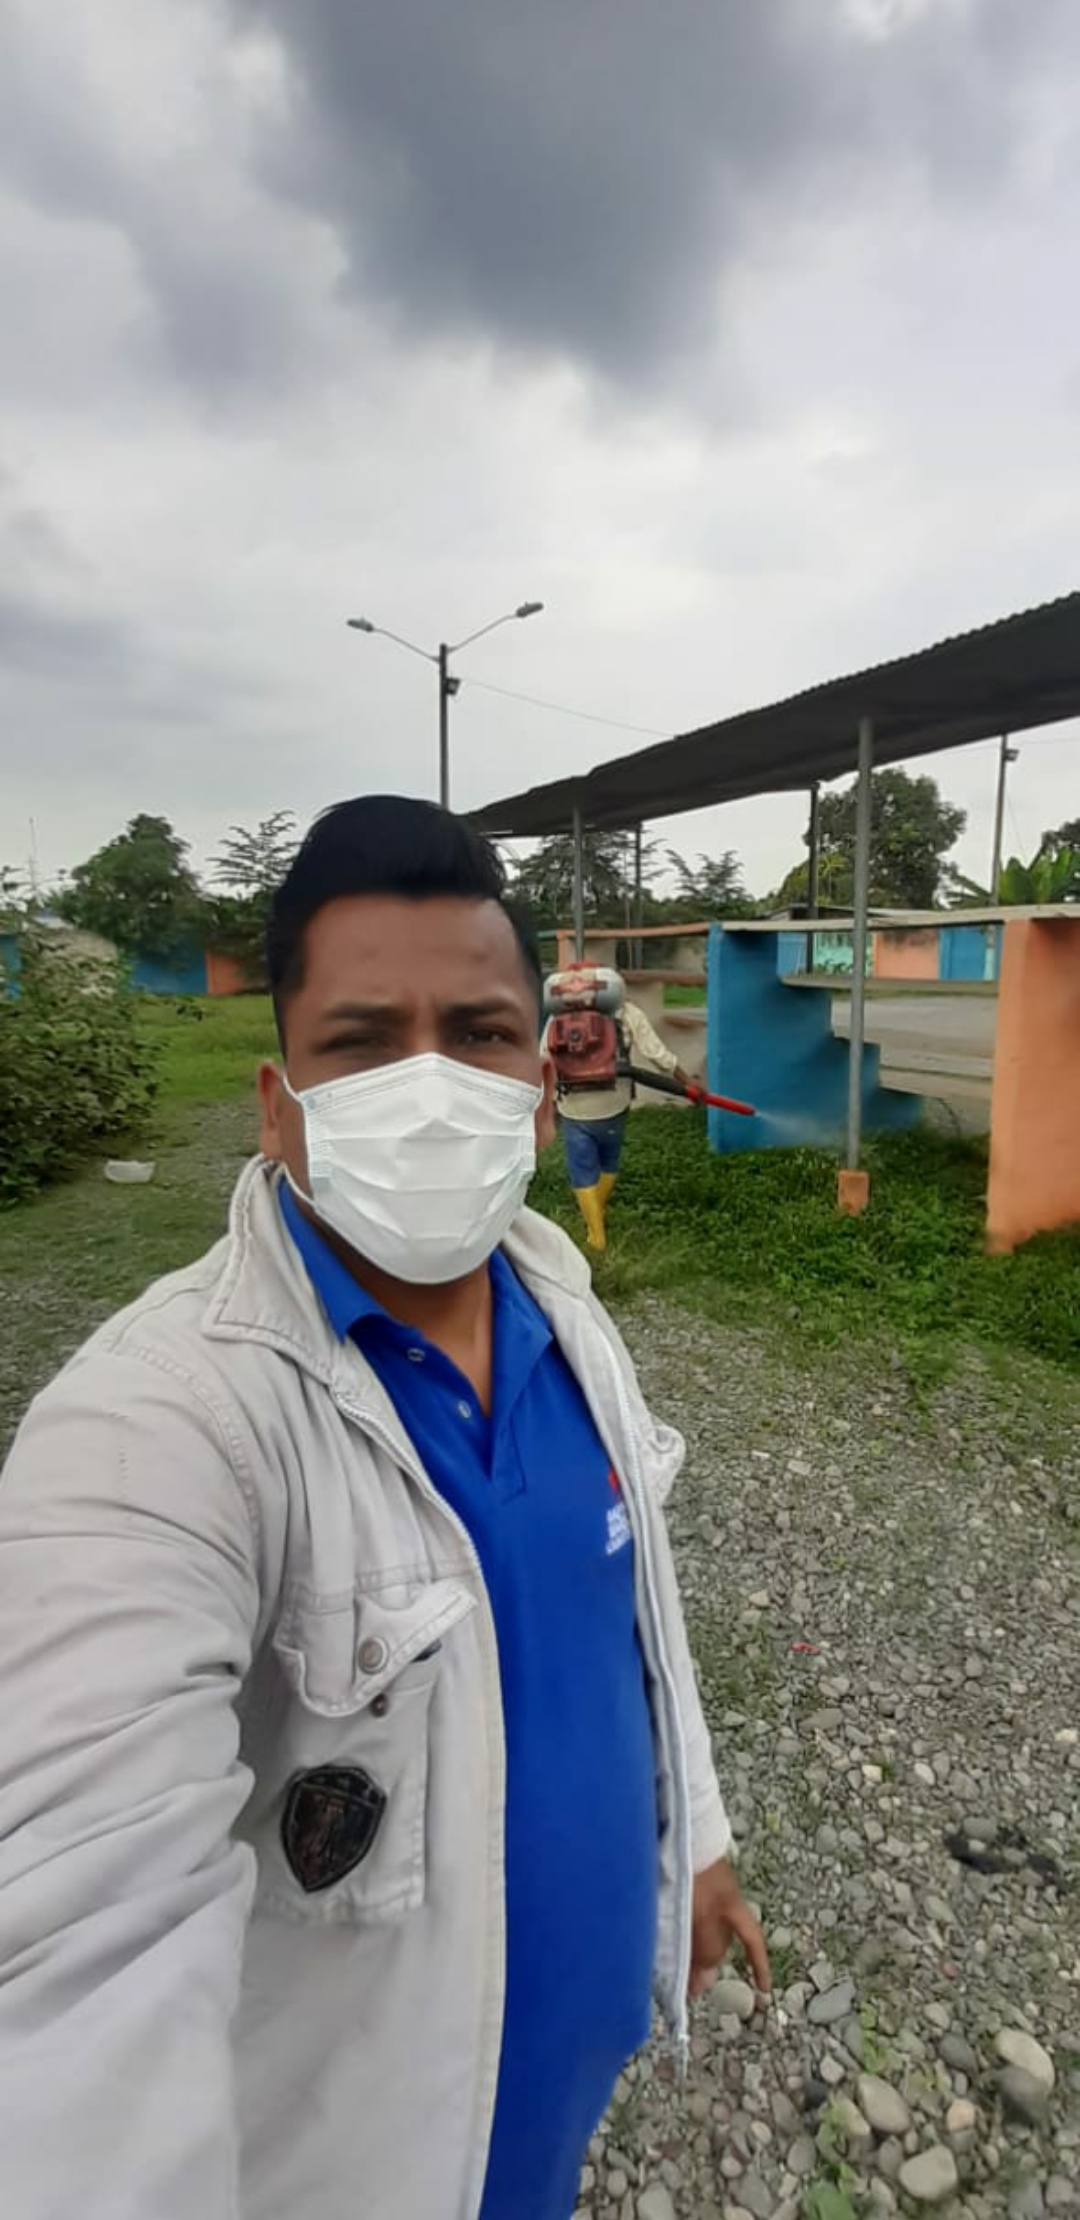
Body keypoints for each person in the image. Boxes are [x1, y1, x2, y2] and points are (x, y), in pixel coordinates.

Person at [0, 796, 768, 2220]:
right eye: (362, 1042)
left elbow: (631, 1629)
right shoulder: (157, 1429)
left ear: (540, 1084)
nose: (428, 1085)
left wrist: (698, 1848)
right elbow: (70, 1934)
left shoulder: (564, 1308)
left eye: (478, 1033)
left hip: (555, 2102)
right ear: (277, 1103)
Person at [546, 978, 695, 1250]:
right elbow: (657, 1054)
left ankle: (596, 1234)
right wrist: (687, 1083)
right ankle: (598, 1210)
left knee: (581, 1168)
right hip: (614, 1103)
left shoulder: (558, 1016)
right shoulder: (627, 1011)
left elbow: (543, 1060)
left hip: (573, 1106)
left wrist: (543, 1103)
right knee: (609, 1160)